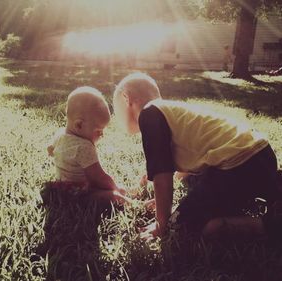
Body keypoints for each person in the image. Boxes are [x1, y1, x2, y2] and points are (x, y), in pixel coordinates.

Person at [113, 72, 282, 240]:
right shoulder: (171, 112)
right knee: (198, 185)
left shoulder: (148, 114)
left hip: (239, 165)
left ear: (126, 99)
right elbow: (185, 165)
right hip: (261, 154)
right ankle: (273, 189)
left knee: (179, 227)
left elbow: (162, 176)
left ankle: (267, 225)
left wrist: (162, 222)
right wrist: (162, 201)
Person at [46, 86, 132, 206]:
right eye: (98, 131)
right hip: (78, 194)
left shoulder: (60, 134)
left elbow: (50, 149)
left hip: (61, 187)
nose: (102, 135)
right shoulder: (83, 147)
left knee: (113, 190)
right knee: (114, 195)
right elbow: (98, 177)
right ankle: (134, 203)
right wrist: (115, 187)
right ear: (79, 125)